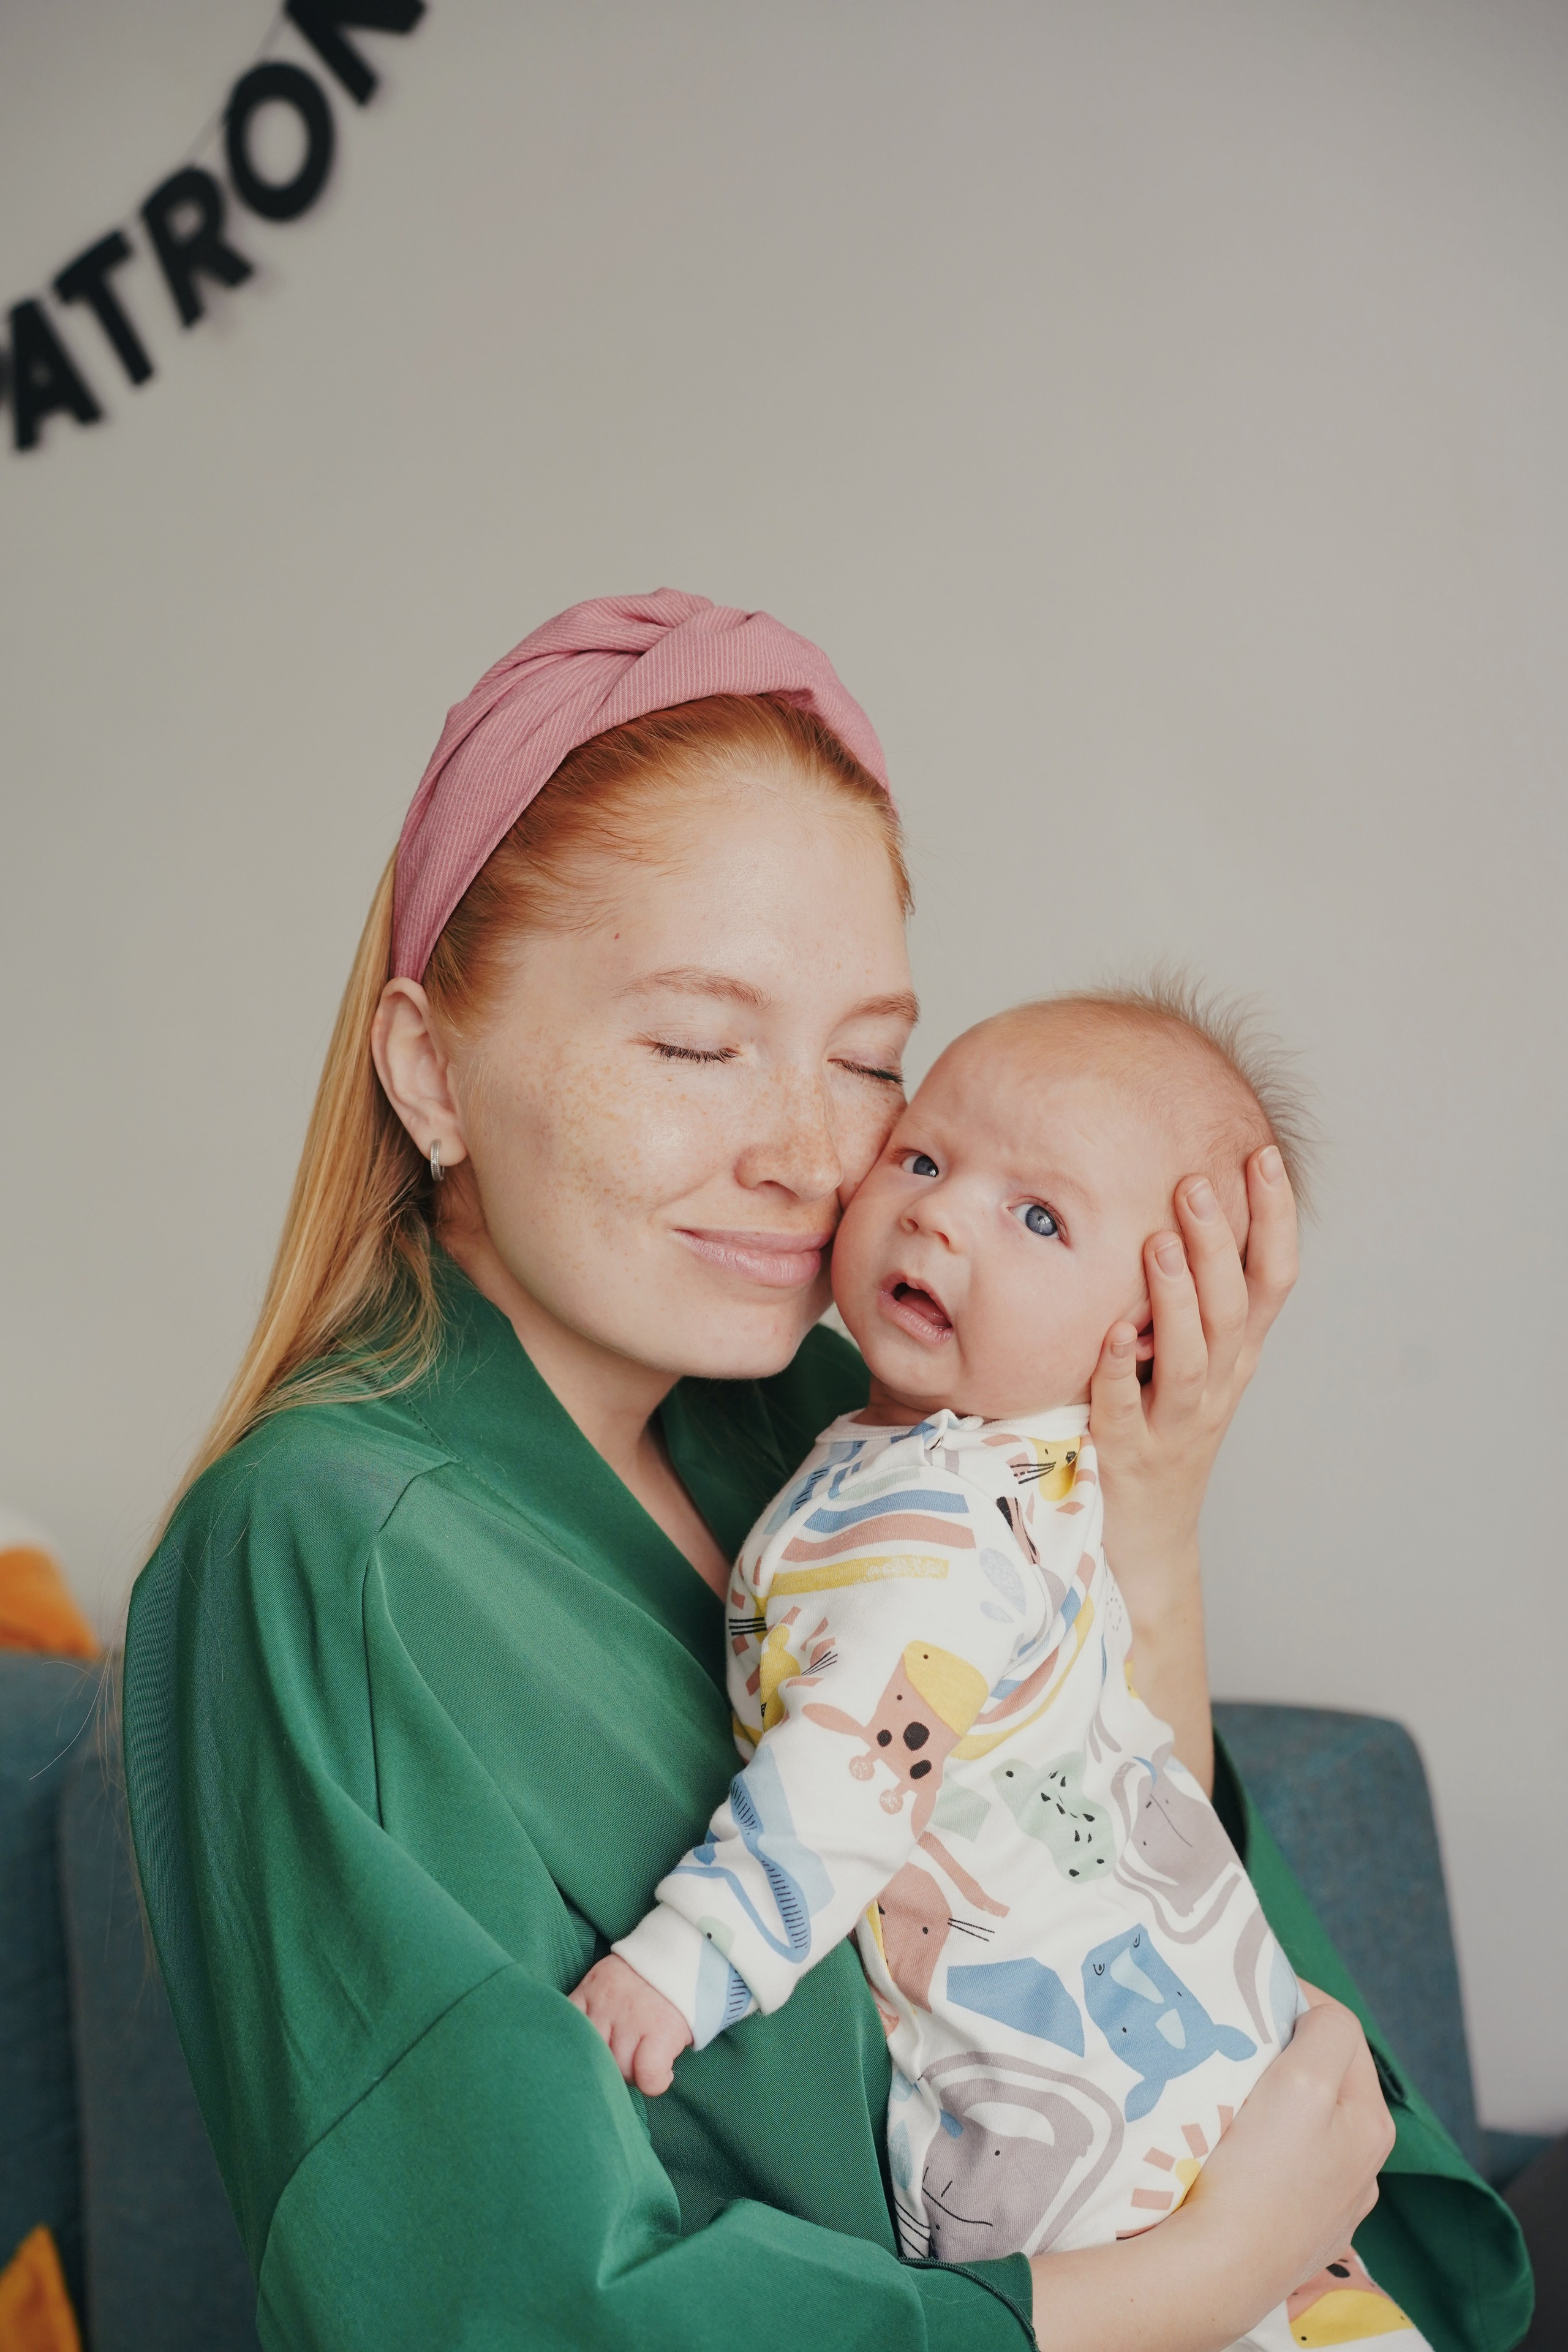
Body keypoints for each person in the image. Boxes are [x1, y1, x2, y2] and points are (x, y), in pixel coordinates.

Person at [123, 591, 1528, 2351]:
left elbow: (1149, 1914)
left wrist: (1151, 1523)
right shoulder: (321, 1553)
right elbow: (499, 2297)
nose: (811, 1152)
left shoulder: (829, 1422)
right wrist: (1183, 2284)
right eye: (700, 1045)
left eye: (871, 1062)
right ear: (432, 1071)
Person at [575, 992, 1429, 2351]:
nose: (938, 1215)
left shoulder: (940, 1530)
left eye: (1038, 1218)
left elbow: (856, 1771)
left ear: (1142, 1328)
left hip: (1095, 2147)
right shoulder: (1002, 1476)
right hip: (1185, 2111)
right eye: (921, 1157)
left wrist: (687, 1962)